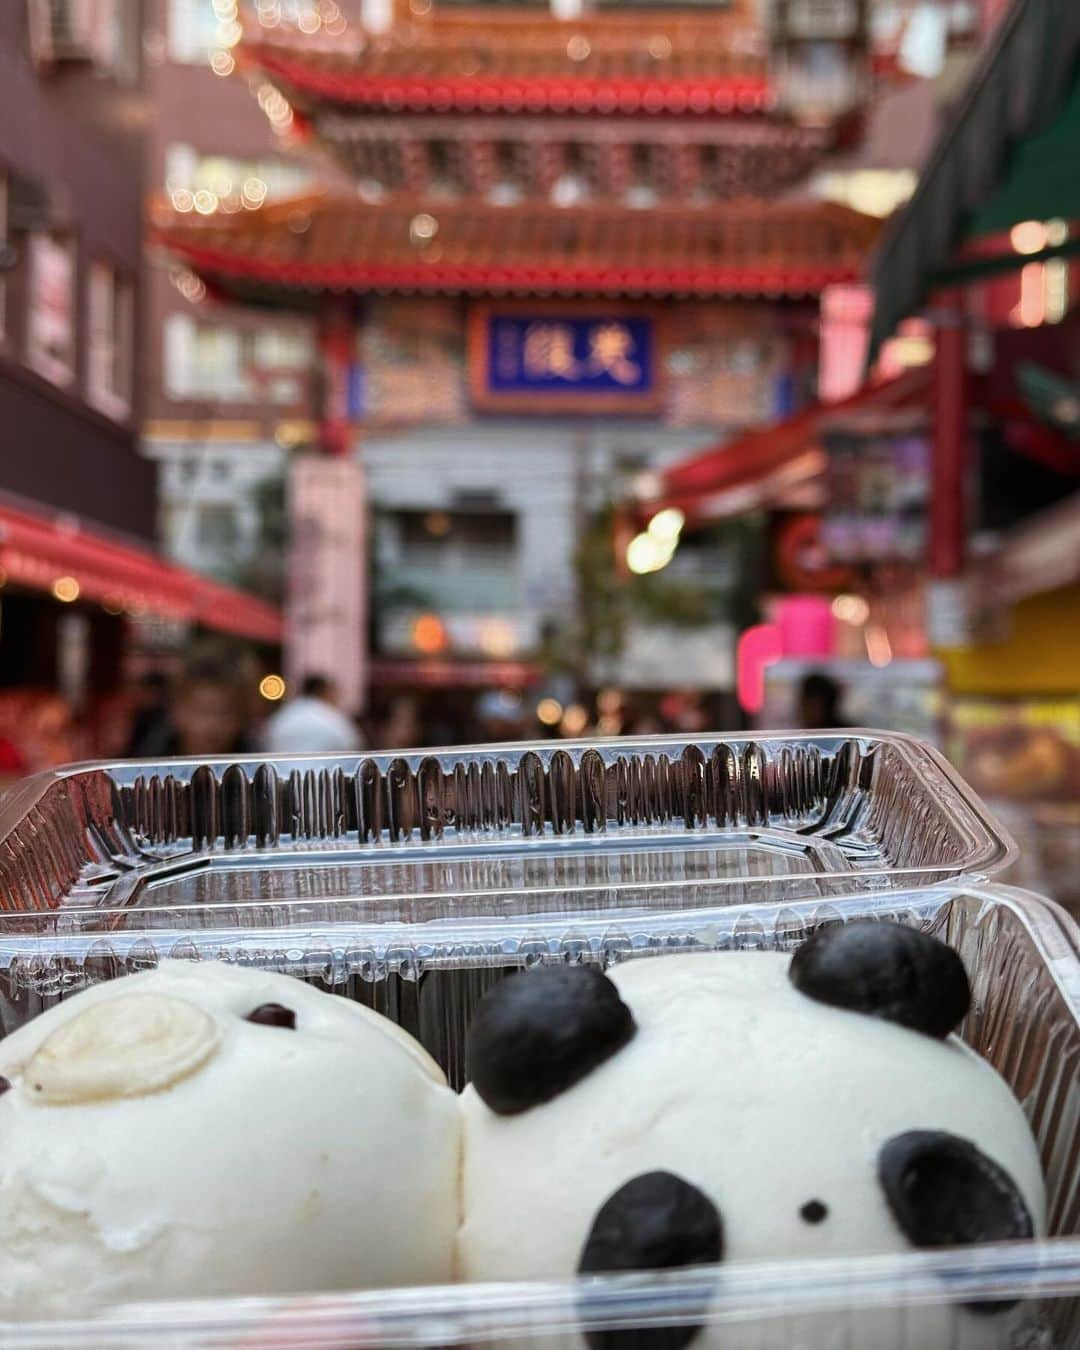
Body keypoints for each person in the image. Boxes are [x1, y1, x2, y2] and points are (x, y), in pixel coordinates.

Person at [134, 646, 254, 758]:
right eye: (200, 712)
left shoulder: (259, 768)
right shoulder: (146, 758)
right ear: (175, 708)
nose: (210, 727)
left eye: (223, 714)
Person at [261, 674, 362, 754]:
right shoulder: (331, 717)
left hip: (284, 777)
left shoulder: (282, 716)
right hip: (323, 777)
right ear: (323, 691)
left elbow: (264, 741)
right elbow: (353, 744)